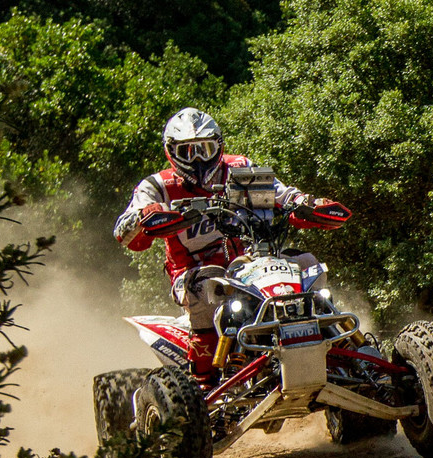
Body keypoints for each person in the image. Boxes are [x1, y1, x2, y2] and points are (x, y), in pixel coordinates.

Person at [114, 107, 345, 386]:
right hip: (192, 271)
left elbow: (283, 195)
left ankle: (344, 353)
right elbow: (124, 232)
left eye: (205, 148)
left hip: (253, 262)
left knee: (307, 265)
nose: (198, 159)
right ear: (172, 153)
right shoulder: (157, 186)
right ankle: (203, 381)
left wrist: (307, 204)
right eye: (188, 152)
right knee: (206, 285)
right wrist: (145, 217)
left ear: (219, 146)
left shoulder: (239, 168)